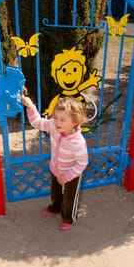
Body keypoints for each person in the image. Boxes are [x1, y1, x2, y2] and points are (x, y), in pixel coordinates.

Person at [22, 94, 88, 231]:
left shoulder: (78, 142)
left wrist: (68, 176)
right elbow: (38, 123)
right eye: (56, 117)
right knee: (55, 192)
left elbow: (82, 163)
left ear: (75, 122)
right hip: (56, 169)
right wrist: (30, 106)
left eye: (62, 119)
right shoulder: (53, 125)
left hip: (72, 175)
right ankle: (55, 208)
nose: (57, 122)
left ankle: (68, 218)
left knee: (70, 198)